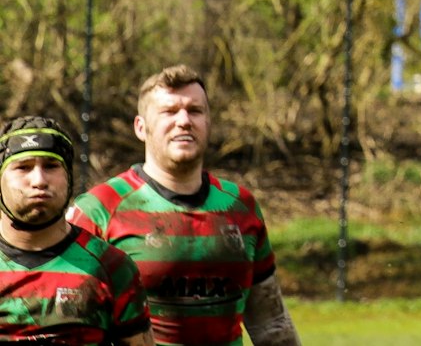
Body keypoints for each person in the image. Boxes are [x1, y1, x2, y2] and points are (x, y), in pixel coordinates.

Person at [67, 68, 298, 346]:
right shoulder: (99, 209)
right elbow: (71, 326)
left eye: (195, 110)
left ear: (208, 123)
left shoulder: (241, 206)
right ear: (141, 127)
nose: (184, 121)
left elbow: (272, 323)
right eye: (169, 111)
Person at [0, 118, 151, 345]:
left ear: (69, 178)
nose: (39, 180)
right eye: (23, 167)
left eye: (51, 166)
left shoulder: (112, 267)